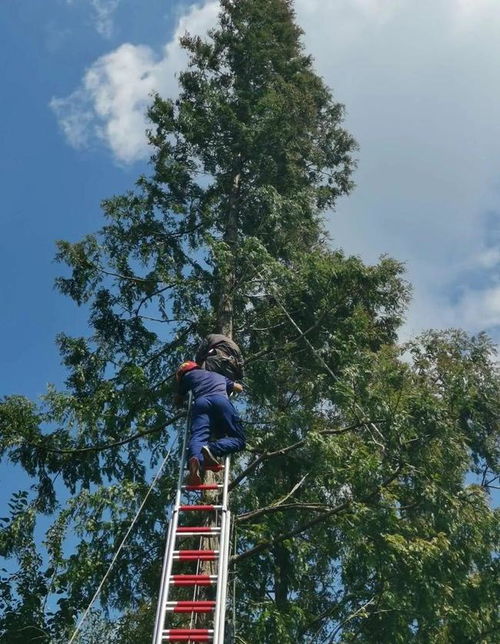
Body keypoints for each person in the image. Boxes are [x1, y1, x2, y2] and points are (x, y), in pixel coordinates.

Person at [175, 361, 245, 486]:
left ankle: (195, 459)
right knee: (239, 439)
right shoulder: (216, 375)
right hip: (221, 401)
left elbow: (178, 399)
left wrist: (179, 401)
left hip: (201, 403)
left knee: (198, 435)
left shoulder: (187, 376)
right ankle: (212, 450)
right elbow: (239, 388)